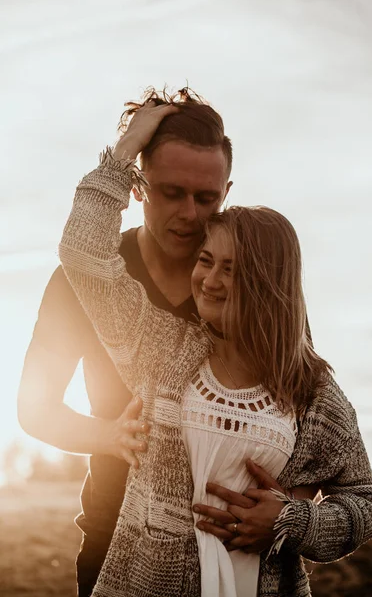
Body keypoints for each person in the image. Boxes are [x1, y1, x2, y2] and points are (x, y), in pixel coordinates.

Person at [57, 101, 372, 597]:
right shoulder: (162, 349)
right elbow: (82, 254)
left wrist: (292, 521)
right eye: (206, 261)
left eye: (230, 268)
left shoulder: (313, 392)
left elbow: (365, 501)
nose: (208, 280)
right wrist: (125, 150)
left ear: (269, 283)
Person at [17, 88, 315, 596]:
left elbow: (307, 413)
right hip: (117, 542)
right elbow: (34, 409)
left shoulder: (257, 284)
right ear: (137, 185)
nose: (191, 215)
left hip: (240, 555)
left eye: (207, 198)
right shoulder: (83, 281)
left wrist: (289, 512)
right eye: (171, 192)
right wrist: (110, 436)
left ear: (227, 190)